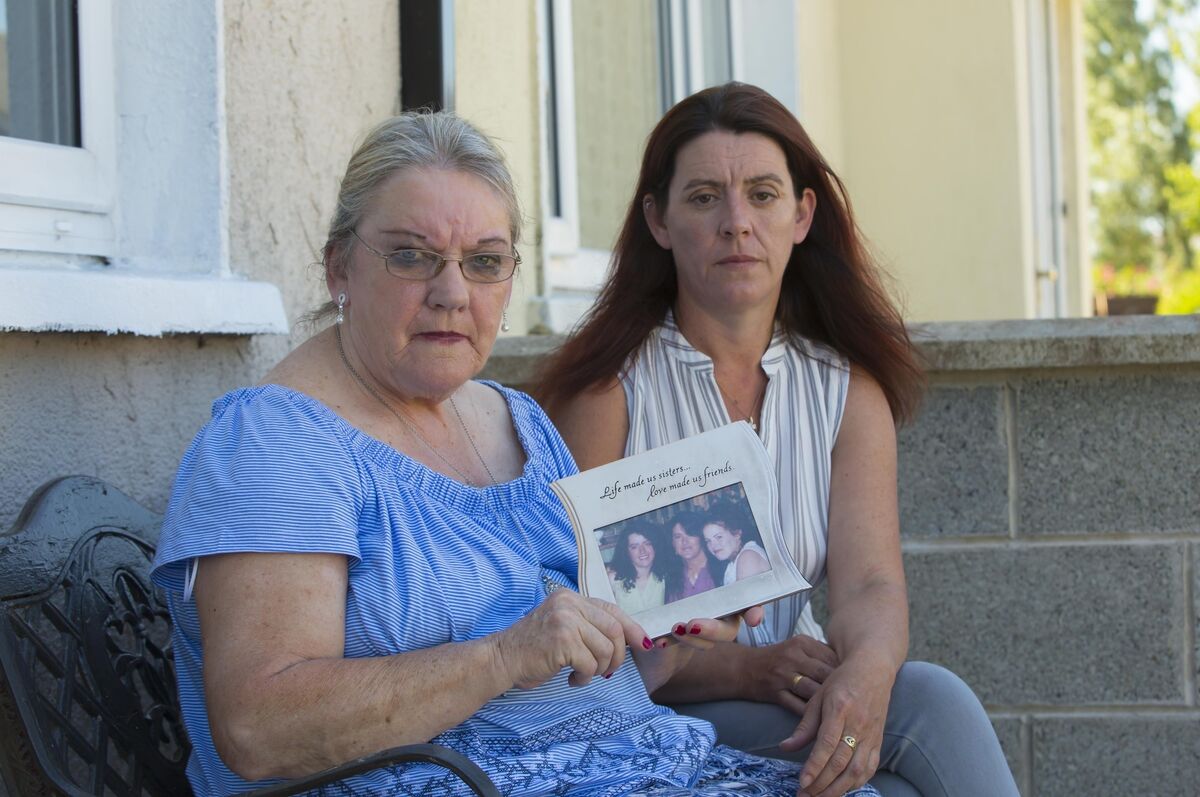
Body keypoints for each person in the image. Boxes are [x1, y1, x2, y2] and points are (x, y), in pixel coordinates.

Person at [150, 110, 882, 797]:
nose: (450, 292)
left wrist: (673, 628)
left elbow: (595, 673)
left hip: (635, 765)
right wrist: (505, 654)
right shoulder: (279, 441)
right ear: (340, 267)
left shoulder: (517, 419)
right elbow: (257, 727)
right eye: (411, 256)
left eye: (484, 261)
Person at [539, 83, 1020, 797]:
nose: (737, 222)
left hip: (789, 696)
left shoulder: (845, 389)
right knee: (935, 710)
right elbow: (580, 635)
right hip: (642, 714)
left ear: (802, 214)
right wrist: (746, 668)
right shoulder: (608, 392)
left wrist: (867, 670)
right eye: (704, 197)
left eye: (762, 194)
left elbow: (870, 584)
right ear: (658, 220)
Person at [609, 523, 668, 613]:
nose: (642, 550)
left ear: (655, 546)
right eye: (634, 547)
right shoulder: (613, 579)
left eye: (647, 544)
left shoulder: (665, 577)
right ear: (626, 552)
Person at [702, 513, 770, 585]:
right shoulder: (732, 563)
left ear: (737, 534)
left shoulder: (748, 557)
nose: (713, 545)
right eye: (708, 541)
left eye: (719, 537)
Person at [663, 510, 717, 602]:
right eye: (678, 537)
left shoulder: (720, 568)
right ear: (673, 543)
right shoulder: (672, 578)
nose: (684, 541)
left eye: (689, 534)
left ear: (701, 537)